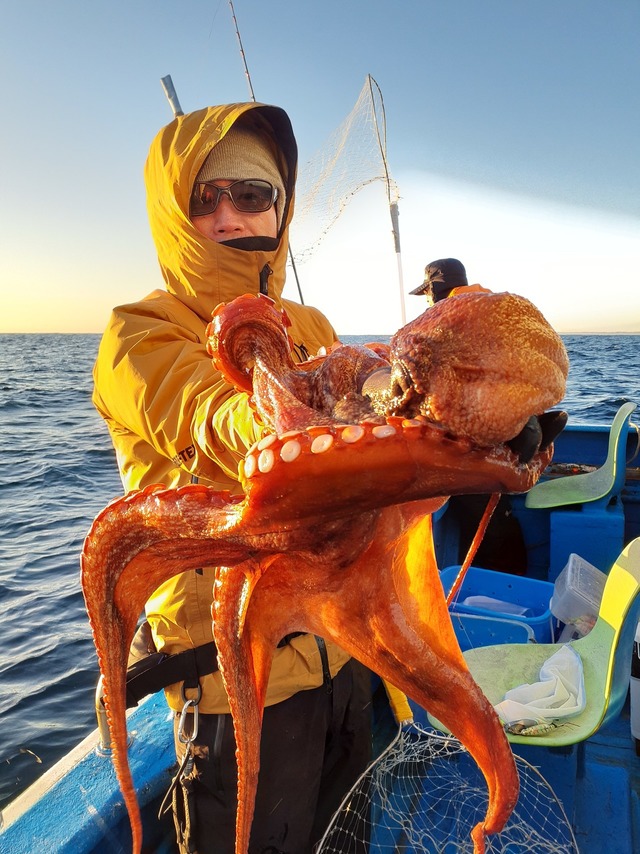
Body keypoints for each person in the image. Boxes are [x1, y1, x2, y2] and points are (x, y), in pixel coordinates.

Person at [93, 103, 372, 854]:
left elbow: (372, 446)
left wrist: (465, 425)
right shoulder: (139, 333)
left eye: (250, 194)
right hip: (238, 687)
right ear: (173, 212)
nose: (227, 215)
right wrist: (295, 415)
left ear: (280, 209)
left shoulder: (311, 327)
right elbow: (208, 415)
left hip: (347, 657)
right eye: (203, 197)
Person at [409, 257, 490, 306]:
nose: (427, 300)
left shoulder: (449, 318)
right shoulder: (489, 301)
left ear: (437, 288)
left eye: (427, 292)